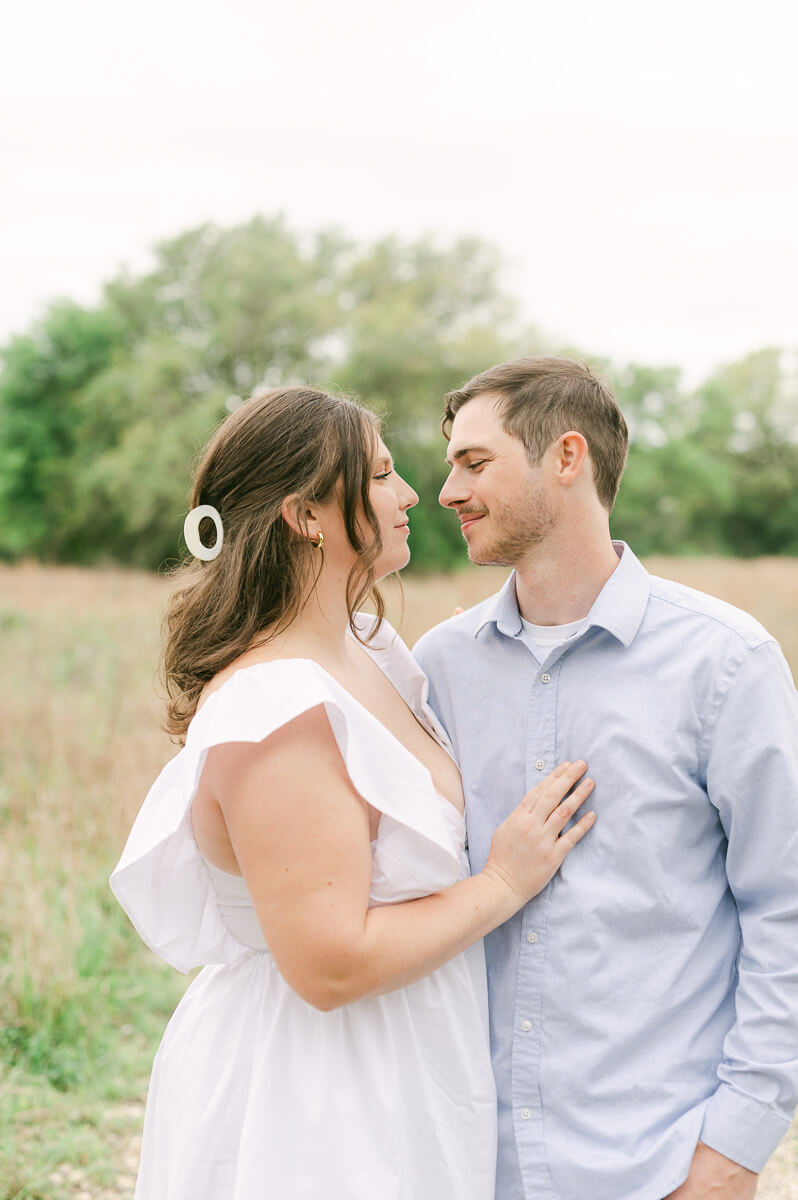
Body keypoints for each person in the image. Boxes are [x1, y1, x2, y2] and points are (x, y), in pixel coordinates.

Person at [110, 385, 597, 1200]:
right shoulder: (278, 711)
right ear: (306, 516)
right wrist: (504, 883)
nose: (412, 494)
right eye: (380, 474)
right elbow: (329, 964)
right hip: (316, 1099)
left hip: (404, 1070)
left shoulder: (371, 649)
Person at [413, 356, 798, 1200]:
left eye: (474, 462)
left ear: (566, 457)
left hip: (657, 1168)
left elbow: (787, 910)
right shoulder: (435, 669)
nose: (445, 491)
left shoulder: (726, 664)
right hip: (469, 1164)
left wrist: (734, 1149)